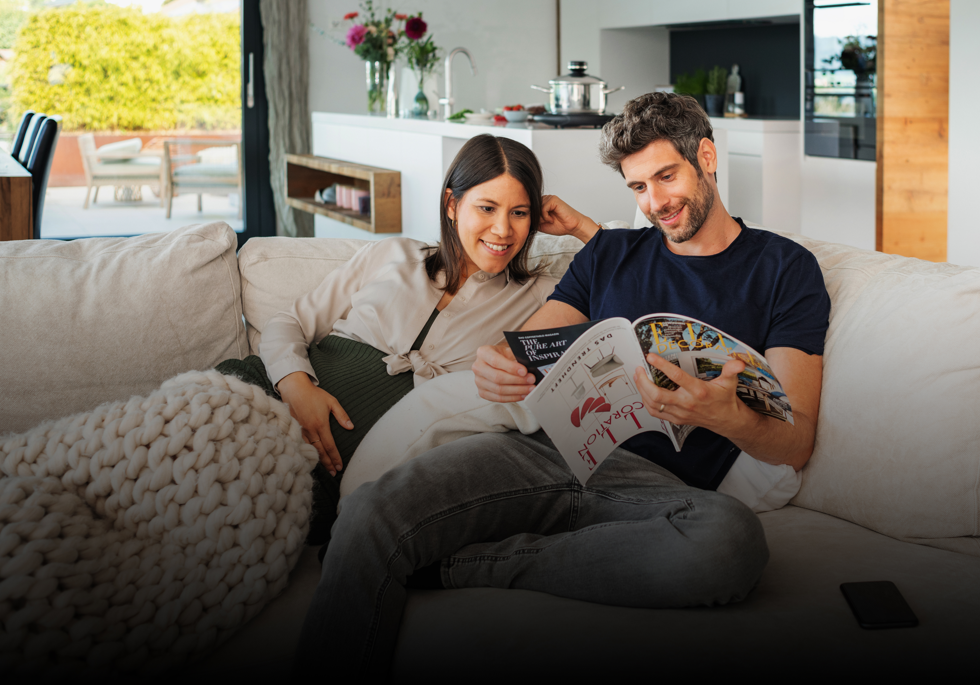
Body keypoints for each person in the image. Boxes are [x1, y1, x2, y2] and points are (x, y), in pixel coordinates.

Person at [295, 93, 830, 678]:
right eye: (638, 188)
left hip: (654, 489)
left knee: (731, 543)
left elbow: (796, 439)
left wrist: (724, 417)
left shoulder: (785, 269)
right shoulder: (609, 255)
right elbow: (524, 346)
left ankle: (475, 566)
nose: (656, 203)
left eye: (666, 177)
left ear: (706, 156)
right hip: (541, 453)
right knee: (372, 511)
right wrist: (496, 364)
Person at [216, 134, 600, 538]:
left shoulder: (544, 296)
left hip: (327, 478)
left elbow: (636, 286)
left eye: (520, 213)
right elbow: (288, 322)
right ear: (453, 205)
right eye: (487, 208)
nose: (503, 229)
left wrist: (582, 227)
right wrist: (295, 386)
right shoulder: (393, 255)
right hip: (260, 395)